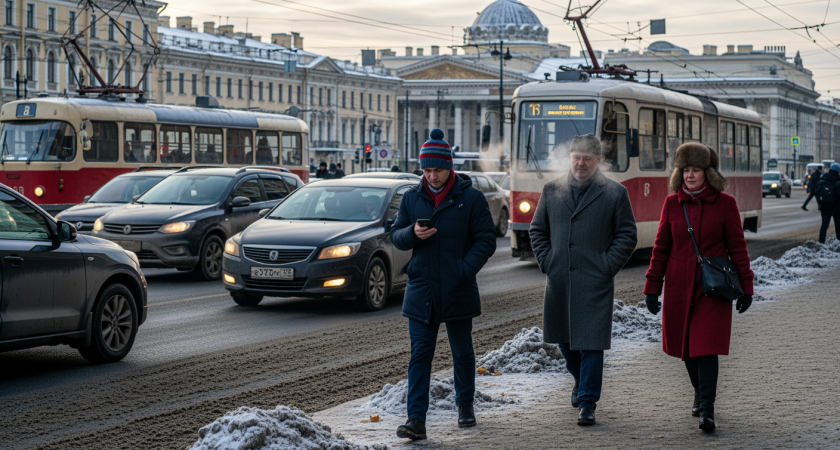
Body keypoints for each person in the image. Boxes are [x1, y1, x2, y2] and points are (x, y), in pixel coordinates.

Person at [391, 128, 496, 441]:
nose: (431, 176)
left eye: (436, 170)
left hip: (457, 285)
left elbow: (486, 239)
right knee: (419, 355)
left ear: (449, 167)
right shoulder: (412, 198)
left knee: (462, 352)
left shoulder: (471, 198)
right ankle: (416, 420)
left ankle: (465, 405)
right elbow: (395, 236)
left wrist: (464, 269)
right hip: (422, 289)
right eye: (426, 170)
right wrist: (412, 233)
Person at [643, 143, 754, 432]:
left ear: (708, 173)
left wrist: (747, 286)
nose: (691, 175)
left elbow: (738, 248)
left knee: (706, 348)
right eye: (686, 170)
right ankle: (698, 392)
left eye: (697, 170)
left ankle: (707, 408)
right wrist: (652, 287)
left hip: (712, 286)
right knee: (687, 348)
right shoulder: (671, 204)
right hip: (680, 284)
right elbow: (661, 248)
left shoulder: (725, 204)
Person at [529, 133, 637, 427]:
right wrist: (549, 262)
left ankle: (588, 403)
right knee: (564, 341)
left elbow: (627, 235)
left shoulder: (615, 193)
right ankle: (579, 380)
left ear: (598, 161)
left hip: (595, 282)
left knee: (591, 344)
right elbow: (537, 230)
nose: (580, 163)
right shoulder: (552, 190)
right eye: (576, 157)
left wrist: (607, 265)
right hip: (560, 279)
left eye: (587, 159)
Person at [817, 163, 840, 243]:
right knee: (838, 226)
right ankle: (838, 243)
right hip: (836, 208)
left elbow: (818, 191)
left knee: (824, 226)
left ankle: (821, 242)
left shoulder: (824, 177)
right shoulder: (838, 179)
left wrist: (820, 202)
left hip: (824, 207)